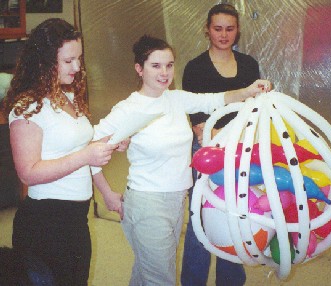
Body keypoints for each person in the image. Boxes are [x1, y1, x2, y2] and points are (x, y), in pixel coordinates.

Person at [91, 34, 270, 286]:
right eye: (156, 66)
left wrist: (249, 91)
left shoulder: (174, 98)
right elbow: (89, 150)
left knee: (145, 274)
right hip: (147, 202)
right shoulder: (128, 108)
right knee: (159, 279)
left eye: (169, 65)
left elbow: (215, 99)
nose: (165, 73)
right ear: (139, 69)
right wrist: (106, 193)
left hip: (176, 200)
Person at [2, 18, 122, 286]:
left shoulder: (66, 96)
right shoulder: (27, 106)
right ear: (45, 61)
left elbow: (79, 148)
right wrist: (86, 155)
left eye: (79, 59)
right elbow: (28, 173)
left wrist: (106, 147)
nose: (77, 67)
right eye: (68, 61)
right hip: (45, 223)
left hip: (75, 219)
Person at [181, 3, 262, 286]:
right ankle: (193, 281)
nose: (224, 34)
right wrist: (211, 133)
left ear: (237, 31)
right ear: (207, 29)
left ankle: (230, 281)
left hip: (241, 149)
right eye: (218, 29)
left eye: (229, 28)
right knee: (200, 218)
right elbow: (195, 118)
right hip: (207, 152)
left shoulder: (250, 65)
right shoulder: (195, 67)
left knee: (236, 215)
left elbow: (256, 108)